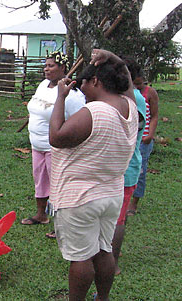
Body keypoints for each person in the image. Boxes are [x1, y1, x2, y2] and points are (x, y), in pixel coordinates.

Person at [49, 49, 138, 301]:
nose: (81, 89)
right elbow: (128, 81)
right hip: (110, 195)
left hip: (80, 198)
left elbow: (56, 137)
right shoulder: (129, 107)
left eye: (83, 84)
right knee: (103, 250)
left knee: (81, 258)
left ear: (95, 81)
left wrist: (61, 98)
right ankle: (103, 298)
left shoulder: (94, 112)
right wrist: (115, 58)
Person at [21, 51, 85, 230]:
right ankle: (41, 215)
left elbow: (78, 119)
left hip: (56, 148)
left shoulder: (71, 93)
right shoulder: (43, 85)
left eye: (51, 66)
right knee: (40, 180)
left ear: (62, 68)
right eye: (45, 65)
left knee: (60, 185)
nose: (46, 69)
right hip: (37, 145)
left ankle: (64, 224)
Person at [111, 57, 147, 276]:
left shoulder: (135, 100)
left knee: (118, 219)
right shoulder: (123, 99)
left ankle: (112, 263)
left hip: (126, 168)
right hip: (116, 168)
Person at [127, 71, 159, 216]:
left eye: (140, 85)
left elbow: (154, 115)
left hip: (143, 139)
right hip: (130, 138)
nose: (137, 88)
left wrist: (150, 134)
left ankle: (134, 202)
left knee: (140, 171)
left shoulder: (150, 93)